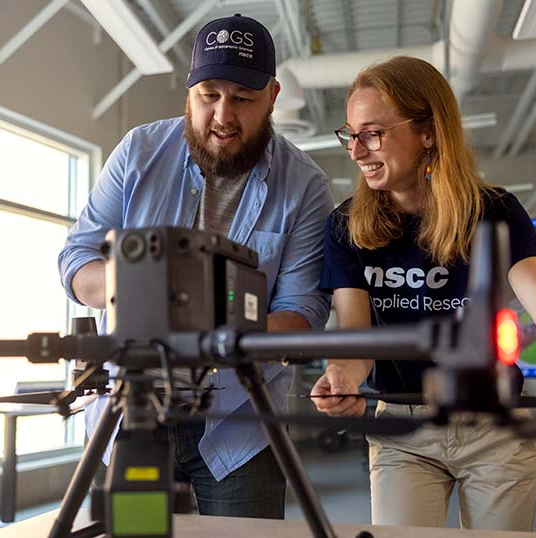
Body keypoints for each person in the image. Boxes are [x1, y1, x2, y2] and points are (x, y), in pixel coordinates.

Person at [310, 56, 536, 531]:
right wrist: (341, 376)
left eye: (373, 133)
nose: (357, 151)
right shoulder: (345, 226)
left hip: (494, 425)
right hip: (403, 427)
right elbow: (357, 338)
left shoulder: (494, 211)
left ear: (428, 131)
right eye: (351, 134)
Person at [58, 14, 333, 519]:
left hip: (241, 424)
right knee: (136, 534)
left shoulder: (306, 186)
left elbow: (303, 312)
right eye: (209, 95)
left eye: (243, 99)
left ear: (272, 95)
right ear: (189, 91)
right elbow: (76, 262)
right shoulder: (138, 154)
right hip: (131, 414)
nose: (223, 115)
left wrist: (212, 331)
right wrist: (142, 286)